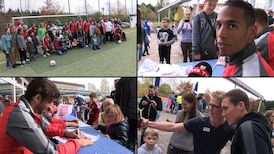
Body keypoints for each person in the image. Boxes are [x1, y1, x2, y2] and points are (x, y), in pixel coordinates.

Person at [0, 78, 92, 153]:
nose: (50, 107)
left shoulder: (23, 109)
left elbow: (45, 127)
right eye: (49, 102)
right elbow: (51, 152)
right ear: (37, 98)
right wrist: (78, 143)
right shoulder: (19, 114)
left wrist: (65, 132)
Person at [141, 91, 234, 154]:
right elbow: (173, 126)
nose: (210, 109)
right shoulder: (200, 122)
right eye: (210, 105)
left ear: (223, 107)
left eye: (215, 106)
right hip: (174, 147)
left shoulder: (230, 128)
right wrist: (148, 123)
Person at [216, 0, 274, 76]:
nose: (220, 34)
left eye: (231, 26)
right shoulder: (237, 56)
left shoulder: (249, 74)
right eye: (219, 25)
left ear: (252, 32)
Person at [221, 89, 273, 154]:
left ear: (241, 106)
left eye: (225, 108)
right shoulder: (251, 126)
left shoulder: (248, 127)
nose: (223, 114)